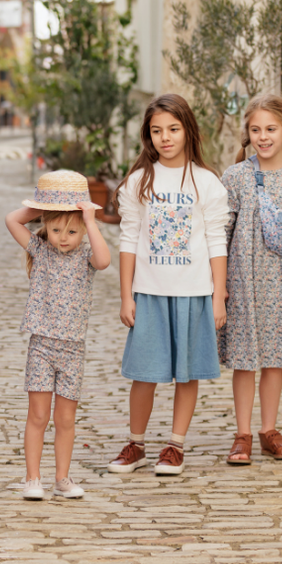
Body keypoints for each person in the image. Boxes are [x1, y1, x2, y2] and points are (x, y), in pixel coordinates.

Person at [108, 94, 229, 476]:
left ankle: (175, 445)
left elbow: (216, 241)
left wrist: (219, 296)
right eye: (157, 131)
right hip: (150, 292)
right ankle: (136, 443)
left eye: (173, 129)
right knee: (145, 372)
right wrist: (126, 294)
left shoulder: (207, 183)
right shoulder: (139, 182)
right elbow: (128, 239)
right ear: (148, 135)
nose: (165, 137)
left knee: (187, 372)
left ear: (188, 131)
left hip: (194, 292)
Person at [220, 94, 282, 465]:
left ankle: (268, 430)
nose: (264, 137)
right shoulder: (234, 177)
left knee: (274, 358)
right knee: (245, 359)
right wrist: (220, 284)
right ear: (247, 133)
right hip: (243, 281)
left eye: (271, 129)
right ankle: (243, 433)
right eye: (256, 129)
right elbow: (221, 233)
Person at [5, 170, 111, 500]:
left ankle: (62, 478)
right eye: (55, 229)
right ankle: (32, 478)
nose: (63, 237)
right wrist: (43, 205)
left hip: (72, 349)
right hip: (42, 346)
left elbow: (106, 260)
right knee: (38, 415)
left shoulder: (85, 257)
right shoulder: (41, 250)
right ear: (46, 226)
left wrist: (91, 222)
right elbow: (12, 220)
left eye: (72, 230)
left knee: (65, 419)